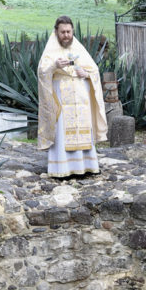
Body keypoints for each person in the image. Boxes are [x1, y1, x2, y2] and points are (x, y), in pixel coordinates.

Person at [37, 16, 108, 178]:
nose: (66, 35)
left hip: (81, 99)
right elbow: (42, 72)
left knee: (83, 130)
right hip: (61, 99)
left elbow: (94, 70)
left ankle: (86, 166)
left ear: (72, 31)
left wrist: (87, 74)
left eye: (69, 31)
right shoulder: (50, 50)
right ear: (56, 32)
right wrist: (54, 66)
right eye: (63, 32)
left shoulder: (78, 48)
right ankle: (62, 169)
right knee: (63, 130)